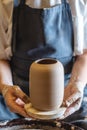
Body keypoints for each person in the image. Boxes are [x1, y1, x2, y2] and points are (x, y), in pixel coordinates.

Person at [0, 0, 87, 125]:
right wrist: (6, 88)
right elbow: (2, 58)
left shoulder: (79, 2)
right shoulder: (6, 3)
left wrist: (77, 84)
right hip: (18, 97)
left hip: (67, 94)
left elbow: (84, 54)